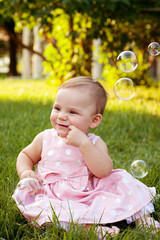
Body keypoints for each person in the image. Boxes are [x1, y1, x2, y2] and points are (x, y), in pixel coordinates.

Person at [12, 76, 160, 238]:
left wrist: (84, 144)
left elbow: (103, 171)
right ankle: (88, 229)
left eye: (72, 112)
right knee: (48, 210)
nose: (61, 116)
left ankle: (144, 219)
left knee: (122, 180)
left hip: (89, 192)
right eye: (57, 108)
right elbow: (25, 155)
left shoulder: (94, 142)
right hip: (54, 194)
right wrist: (26, 171)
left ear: (94, 120)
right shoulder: (45, 138)